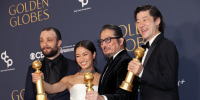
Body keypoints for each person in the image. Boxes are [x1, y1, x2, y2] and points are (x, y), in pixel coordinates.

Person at [127, 5, 179, 100]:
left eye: (145, 20)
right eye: (138, 22)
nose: (141, 25)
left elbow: (168, 81)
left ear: (157, 21)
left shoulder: (167, 45)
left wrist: (142, 72)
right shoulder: (144, 50)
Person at [32, 40, 101, 100]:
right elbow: (51, 89)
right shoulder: (69, 79)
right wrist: (40, 80)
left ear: (94, 54)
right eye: (78, 56)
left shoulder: (103, 78)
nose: (82, 59)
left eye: (85, 54)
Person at [85, 24, 139, 100]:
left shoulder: (125, 62)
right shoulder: (111, 62)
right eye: (101, 41)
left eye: (107, 40)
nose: (103, 44)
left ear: (120, 41)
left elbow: (125, 96)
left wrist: (102, 98)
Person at [24, 27, 78, 100]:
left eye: (49, 40)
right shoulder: (33, 69)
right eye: (41, 41)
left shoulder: (73, 66)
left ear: (59, 43)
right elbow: (29, 97)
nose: (45, 44)